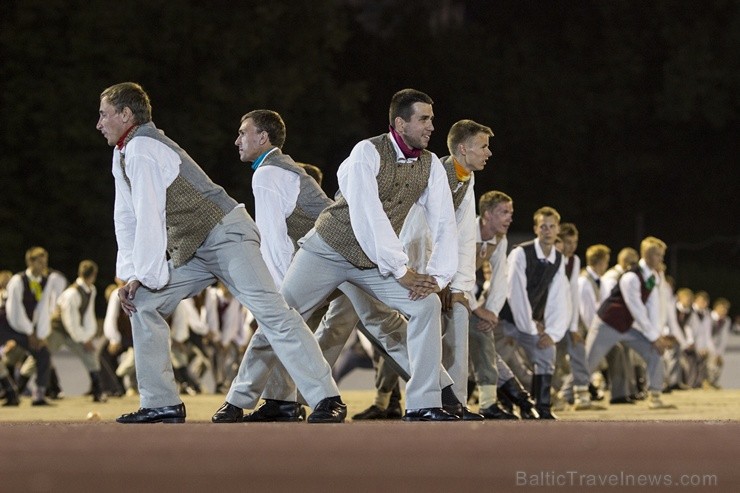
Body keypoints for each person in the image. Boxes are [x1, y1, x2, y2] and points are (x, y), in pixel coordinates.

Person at [96, 81, 345, 424]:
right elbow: (125, 216)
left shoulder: (142, 147)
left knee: (274, 314)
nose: (99, 123)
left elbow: (149, 216)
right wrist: (132, 276)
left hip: (227, 235)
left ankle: (327, 398)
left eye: (103, 114)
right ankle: (162, 403)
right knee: (144, 304)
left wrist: (146, 274)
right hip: (194, 247)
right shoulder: (123, 152)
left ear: (126, 114)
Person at [226, 88, 460, 422]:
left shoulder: (431, 165)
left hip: (371, 261)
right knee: (282, 314)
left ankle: (426, 402)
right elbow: (367, 215)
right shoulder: (367, 151)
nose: (431, 126)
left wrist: (438, 276)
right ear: (399, 122)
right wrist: (401, 268)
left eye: (432, 119)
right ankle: (241, 399)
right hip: (328, 249)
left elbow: (444, 221)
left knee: (426, 305)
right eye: (424, 119)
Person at [466, 191, 538, 420]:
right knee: (447, 349)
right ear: (486, 215)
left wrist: (492, 312)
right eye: (503, 212)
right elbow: (456, 272)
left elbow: (499, 278)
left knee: (482, 335)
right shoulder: (464, 230)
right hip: (430, 289)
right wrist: (478, 309)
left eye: (511, 213)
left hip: (458, 295)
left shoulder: (500, 238)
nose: (509, 218)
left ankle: (490, 403)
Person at [586, 236, 675, 410]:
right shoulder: (631, 277)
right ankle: (569, 395)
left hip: (627, 326)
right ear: (647, 256)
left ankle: (655, 396)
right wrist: (653, 336)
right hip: (608, 323)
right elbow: (637, 309)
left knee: (654, 351)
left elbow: (654, 307)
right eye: (659, 255)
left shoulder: (653, 276)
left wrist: (657, 336)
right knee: (588, 360)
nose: (662, 259)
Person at [497, 207, 570, 419]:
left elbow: (559, 298)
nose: (547, 231)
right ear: (536, 229)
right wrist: (530, 325)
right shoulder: (520, 253)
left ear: (557, 230)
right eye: (542, 226)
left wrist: (552, 333)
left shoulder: (558, 259)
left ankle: (543, 407)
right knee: (488, 361)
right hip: (505, 319)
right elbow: (515, 292)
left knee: (547, 352)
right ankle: (503, 404)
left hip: (529, 322)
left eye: (551, 227)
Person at [1, 247, 67, 406]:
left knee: (43, 353)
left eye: (45, 261)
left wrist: (40, 335)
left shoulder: (44, 282)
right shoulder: (18, 280)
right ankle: (10, 391)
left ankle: (38, 395)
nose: (43, 265)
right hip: (6, 323)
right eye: (39, 261)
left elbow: (42, 311)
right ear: (30, 262)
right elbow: (14, 310)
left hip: (26, 328)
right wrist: (30, 333)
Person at [45, 260, 106, 402]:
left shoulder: (91, 290)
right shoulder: (72, 293)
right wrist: (84, 339)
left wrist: (88, 336)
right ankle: (17, 389)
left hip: (74, 332)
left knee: (89, 355)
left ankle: (97, 391)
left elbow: (88, 316)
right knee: (41, 356)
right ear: (94, 275)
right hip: (57, 330)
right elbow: (69, 321)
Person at [708, 298, 732, 388]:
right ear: (716, 308)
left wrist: (719, 353)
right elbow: (707, 336)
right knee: (710, 363)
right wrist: (713, 352)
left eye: (726, 309)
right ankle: (707, 382)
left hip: (718, 347)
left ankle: (713, 383)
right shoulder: (709, 317)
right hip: (707, 345)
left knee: (719, 363)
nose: (724, 311)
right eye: (722, 308)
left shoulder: (727, 320)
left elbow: (724, 337)